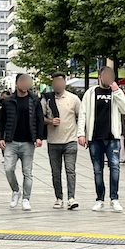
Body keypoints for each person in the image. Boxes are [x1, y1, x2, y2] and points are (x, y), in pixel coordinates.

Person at [78, 62, 125, 211]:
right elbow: (83, 113)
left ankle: (114, 198)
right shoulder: (91, 92)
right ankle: (99, 198)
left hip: (112, 137)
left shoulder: (116, 92)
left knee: (115, 167)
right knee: (97, 169)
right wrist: (81, 133)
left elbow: (124, 108)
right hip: (95, 137)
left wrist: (117, 91)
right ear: (100, 77)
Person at [0, 72, 46, 211]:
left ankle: (26, 199)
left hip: (28, 142)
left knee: (27, 172)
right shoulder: (8, 101)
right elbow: (2, 121)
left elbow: (39, 119)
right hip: (11, 141)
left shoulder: (34, 100)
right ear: (17, 84)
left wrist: (39, 137)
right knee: (8, 168)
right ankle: (16, 190)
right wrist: (1, 138)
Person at [42, 73, 83, 210]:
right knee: (56, 172)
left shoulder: (73, 99)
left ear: (64, 83)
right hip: (53, 141)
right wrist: (50, 121)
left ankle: (71, 198)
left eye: (60, 82)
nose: (58, 85)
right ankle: (59, 197)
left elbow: (81, 117)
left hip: (70, 141)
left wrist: (82, 134)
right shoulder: (47, 99)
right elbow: (39, 117)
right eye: (55, 82)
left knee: (70, 170)